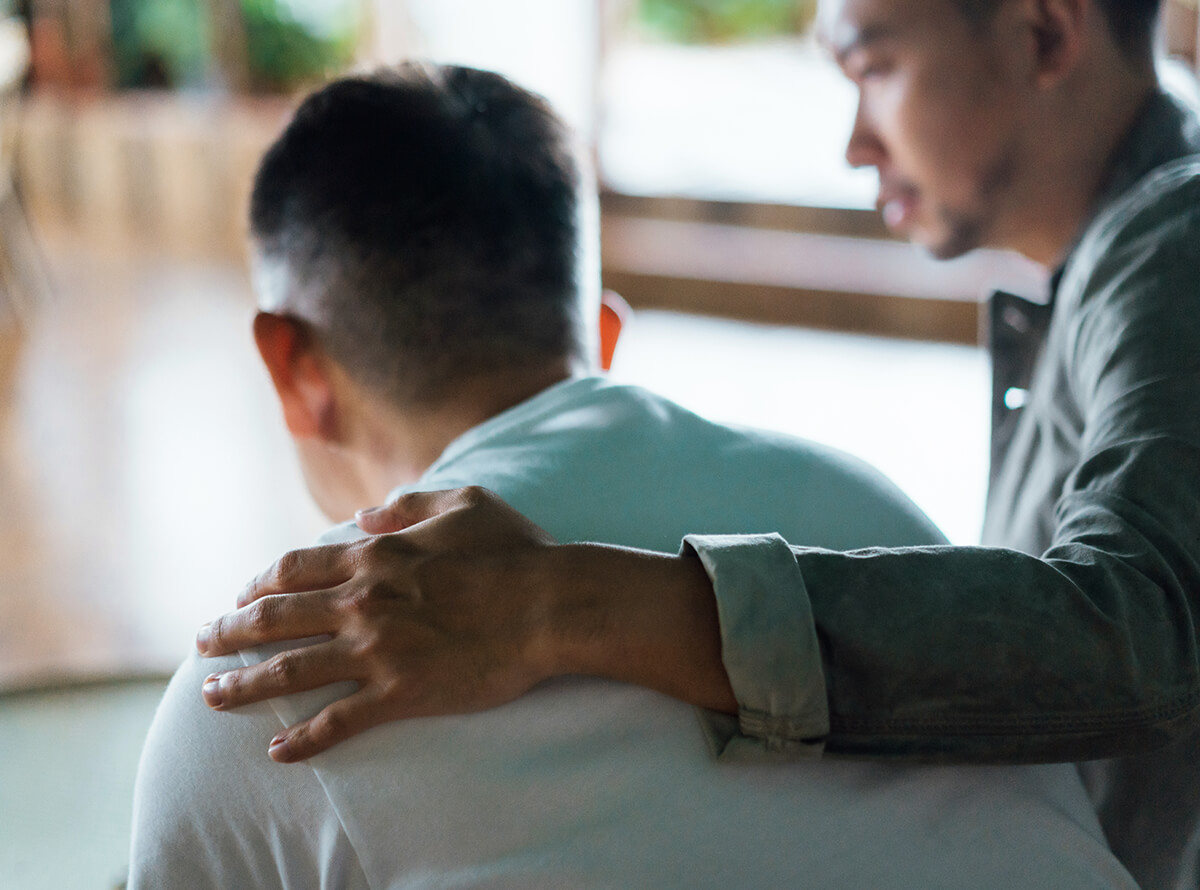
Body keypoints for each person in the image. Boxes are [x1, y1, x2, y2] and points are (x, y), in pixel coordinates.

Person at [197, 2, 1200, 885]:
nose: (855, 142)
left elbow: (1145, 631)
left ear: (1046, 30)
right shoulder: (1112, 274)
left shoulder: (1179, 244)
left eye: (875, 66)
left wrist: (554, 602)